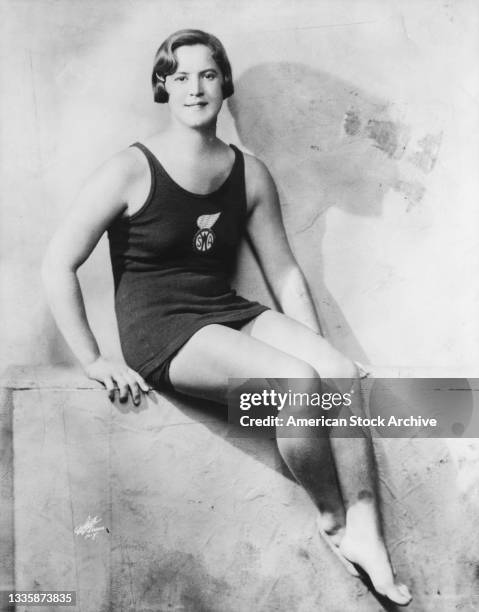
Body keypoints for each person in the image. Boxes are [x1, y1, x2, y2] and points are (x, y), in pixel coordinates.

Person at [42, 29, 412, 606]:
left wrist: (314, 351)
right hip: (163, 332)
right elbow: (57, 263)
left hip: (224, 311)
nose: (196, 88)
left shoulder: (249, 172)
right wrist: (92, 358)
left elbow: (285, 273)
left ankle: (368, 528)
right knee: (297, 387)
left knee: (334, 371)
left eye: (208, 75)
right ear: (163, 87)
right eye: (182, 76)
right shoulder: (130, 169)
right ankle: (334, 519)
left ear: (224, 83)